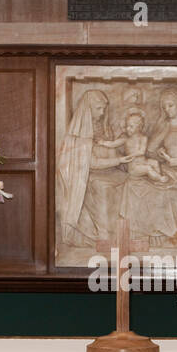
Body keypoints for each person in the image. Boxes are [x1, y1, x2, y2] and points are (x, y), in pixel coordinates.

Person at [121, 88, 177, 247]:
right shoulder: (165, 124)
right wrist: (160, 154)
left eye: (170, 105)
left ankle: (172, 237)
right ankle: (148, 236)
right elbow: (150, 150)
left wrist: (176, 161)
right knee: (137, 186)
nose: (167, 110)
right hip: (165, 169)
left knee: (163, 193)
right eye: (164, 107)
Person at [57, 89, 129, 249]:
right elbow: (92, 163)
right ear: (88, 108)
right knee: (104, 188)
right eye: (98, 108)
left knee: (132, 183)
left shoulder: (104, 127)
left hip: (110, 172)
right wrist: (118, 159)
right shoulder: (78, 136)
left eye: (104, 109)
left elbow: (116, 146)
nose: (102, 113)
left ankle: (126, 233)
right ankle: (105, 234)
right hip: (85, 178)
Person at [97, 111, 167, 184]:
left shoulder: (144, 138)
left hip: (143, 161)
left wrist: (130, 155)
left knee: (155, 163)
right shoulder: (125, 139)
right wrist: (103, 143)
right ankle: (160, 178)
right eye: (127, 126)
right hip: (134, 167)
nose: (128, 129)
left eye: (131, 126)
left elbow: (141, 152)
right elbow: (113, 144)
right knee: (148, 168)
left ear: (139, 127)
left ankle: (156, 178)